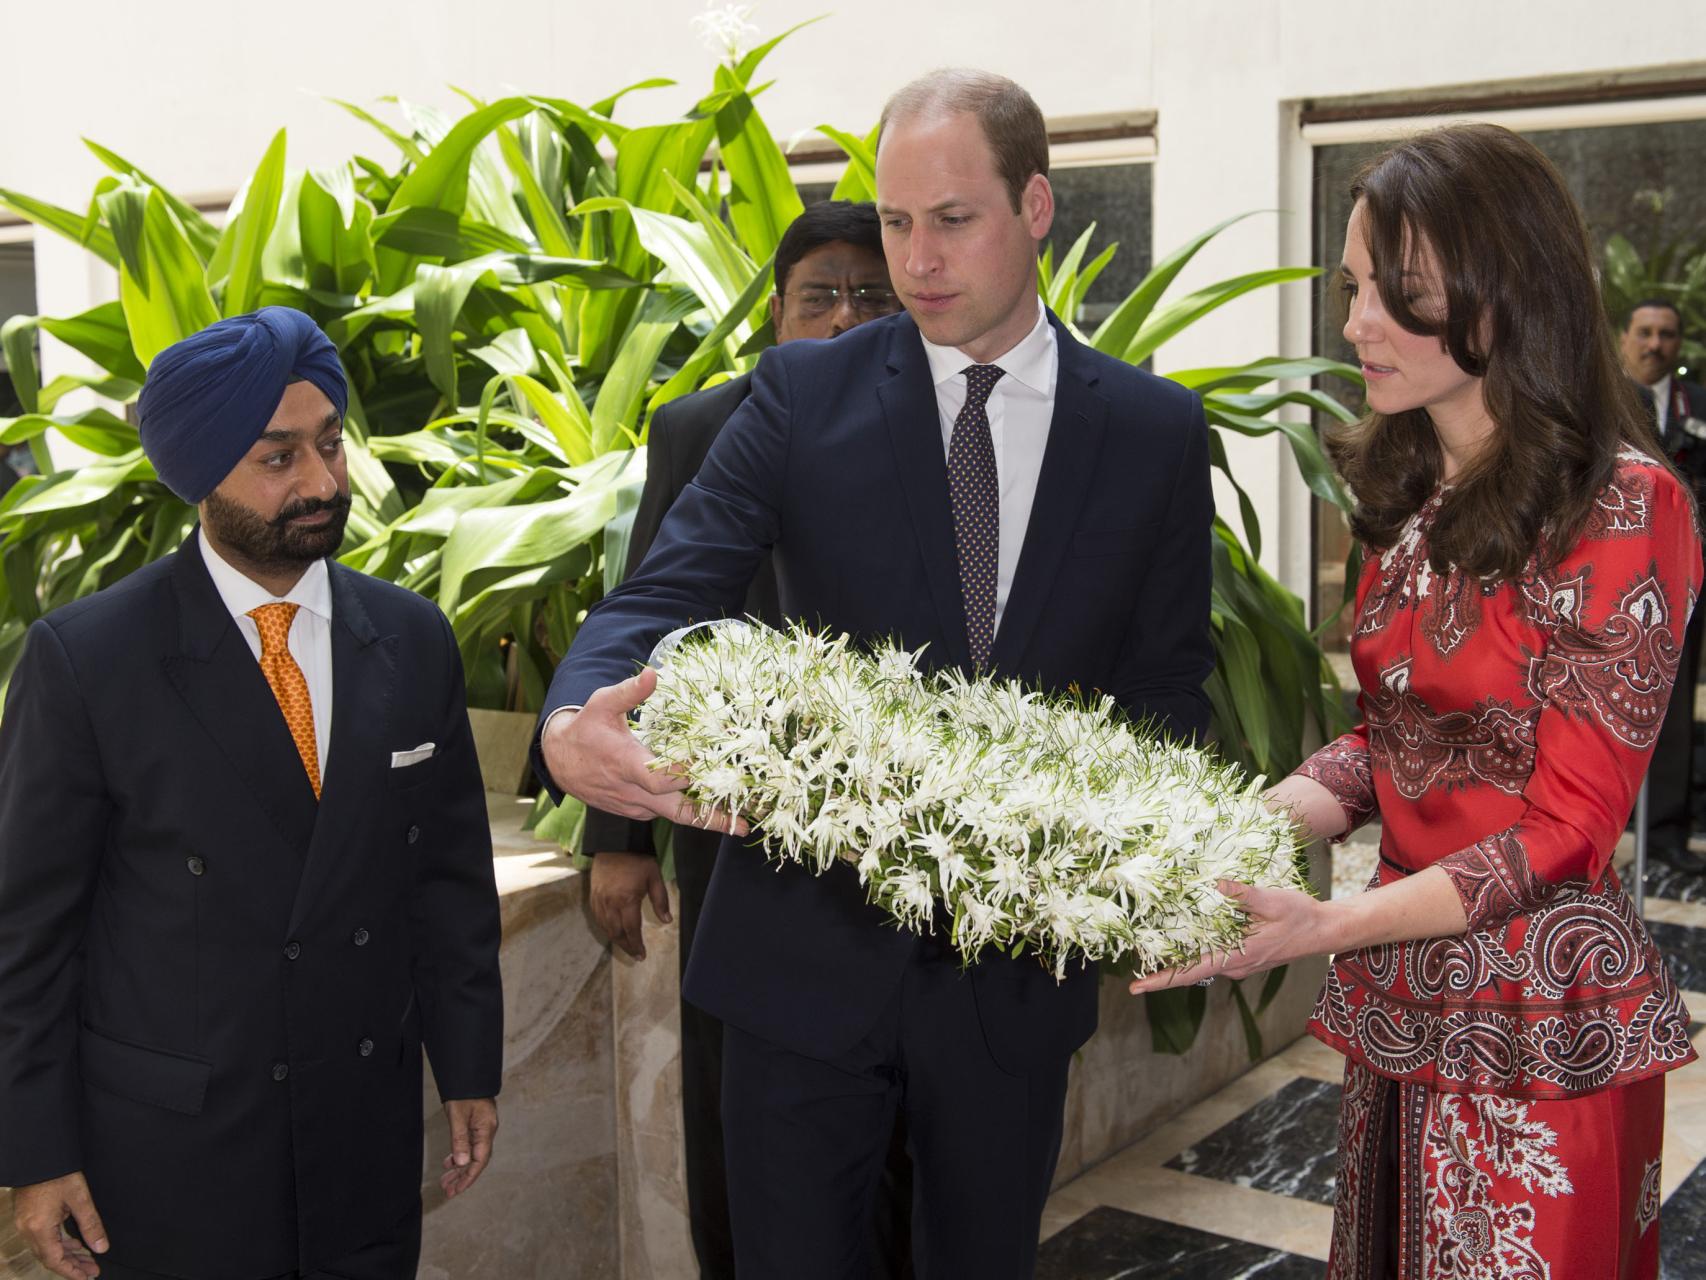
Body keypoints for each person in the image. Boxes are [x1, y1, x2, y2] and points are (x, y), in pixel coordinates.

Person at [534, 67, 1213, 1278]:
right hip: (797, 967)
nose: (916, 260)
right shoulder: (801, 394)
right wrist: (570, 716)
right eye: (896, 222)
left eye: (952, 219)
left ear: (1038, 205)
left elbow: (1162, 694)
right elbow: (662, 587)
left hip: (1010, 987)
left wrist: (1131, 881)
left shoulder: (1152, 433)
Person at [1134, 124, 1699, 1279]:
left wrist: (1326, 924)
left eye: (1401, 295)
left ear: (1505, 293)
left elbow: (1566, 827)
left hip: (1538, 1022)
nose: (1353, 323)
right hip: (1402, 999)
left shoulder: (1624, 506)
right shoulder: (1402, 485)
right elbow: (1389, 738)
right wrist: (1242, 822)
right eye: (1352, 289)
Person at [0, 307, 504, 1280]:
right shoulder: (89, 659)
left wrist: (470, 1067)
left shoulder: (412, 638)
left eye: (328, 444)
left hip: (361, 1130)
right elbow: (29, 934)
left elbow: (446, 882)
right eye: (277, 458)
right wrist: (36, 1150)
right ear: (200, 473)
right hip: (175, 1155)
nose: (319, 482)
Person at [579, 199, 912, 1280]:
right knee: (734, 1106)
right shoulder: (698, 427)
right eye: (818, 294)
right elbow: (644, 613)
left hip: (893, 829)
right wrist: (615, 833)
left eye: (871, 293)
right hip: (725, 823)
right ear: (775, 312)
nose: (842, 315)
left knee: (892, 1123)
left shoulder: (944, 428)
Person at [1620, 297, 1706, 871]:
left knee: (1676, 703)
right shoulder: (1603, 401)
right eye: (1646, 332)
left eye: (1667, 335)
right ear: (1625, 337)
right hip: (1616, 572)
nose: (1656, 344)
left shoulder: (1695, 404)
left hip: (1683, 574)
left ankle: (1666, 829)